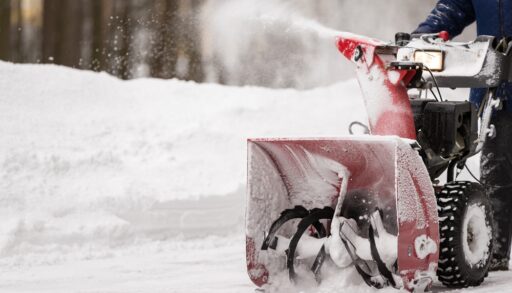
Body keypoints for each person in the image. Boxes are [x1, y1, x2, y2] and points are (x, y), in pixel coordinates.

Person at [414, 0, 512, 271]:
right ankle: (495, 249)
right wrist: (423, 36)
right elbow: (453, 9)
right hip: (499, 90)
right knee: (497, 175)